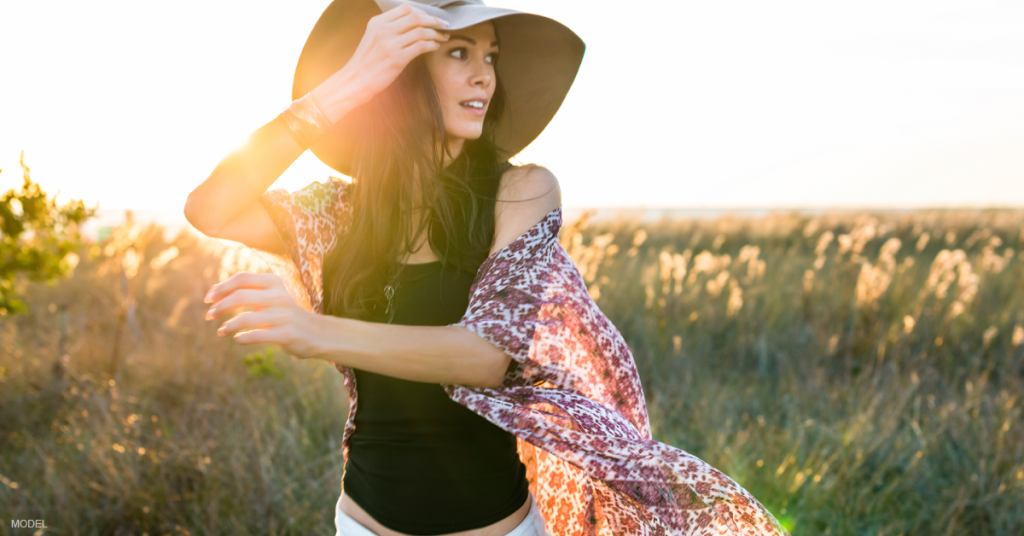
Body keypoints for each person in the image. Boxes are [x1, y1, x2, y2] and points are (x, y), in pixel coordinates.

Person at [185, 1, 787, 535]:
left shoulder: (520, 192)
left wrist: (315, 331)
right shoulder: (336, 215)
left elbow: (483, 354)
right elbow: (210, 207)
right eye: (457, 51)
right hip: (361, 523)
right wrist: (349, 85)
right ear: (399, 71)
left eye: (490, 55)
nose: (485, 76)